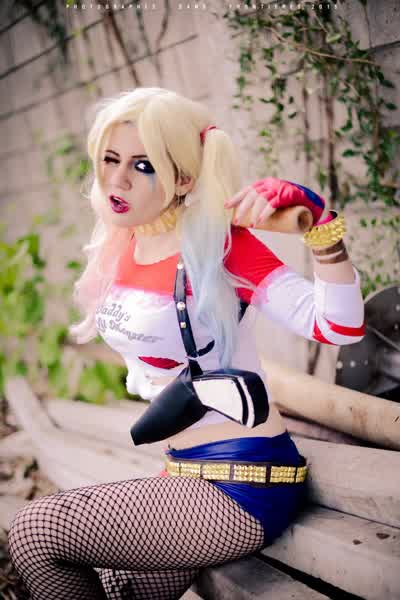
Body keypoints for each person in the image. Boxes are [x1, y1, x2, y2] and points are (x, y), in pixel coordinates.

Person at [8, 87, 365, 599]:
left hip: (244, 481)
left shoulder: (221, 246)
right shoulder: (123, 242)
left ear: (183, 179)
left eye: (143, 166)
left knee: (36, 531)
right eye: (110, 159)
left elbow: (337, 327)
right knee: (118, 591)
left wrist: (322, 228)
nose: (118, 179)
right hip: (181, 473)